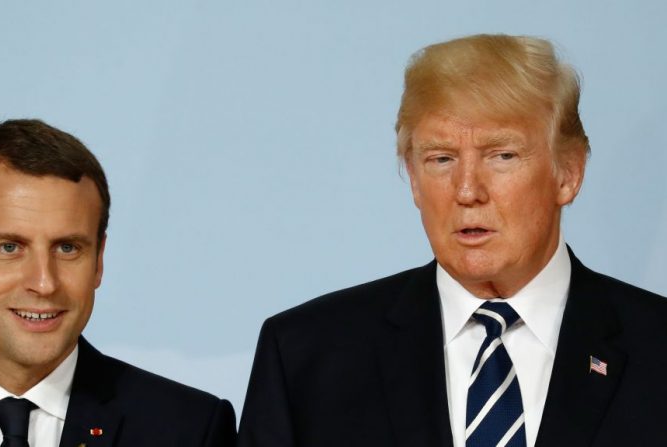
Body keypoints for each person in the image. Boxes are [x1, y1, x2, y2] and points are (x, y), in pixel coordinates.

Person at [237, 34, 667, 446]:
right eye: (441, 159)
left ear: (569, 173)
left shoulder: (656, 349)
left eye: (502, 156)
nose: (466, 191)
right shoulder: (306, 359)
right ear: (413, 179)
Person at [0, 119, 236, 446]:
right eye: (10, 247)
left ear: (98, 261)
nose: (44, 283)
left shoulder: (186, 430)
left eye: (67, 248)